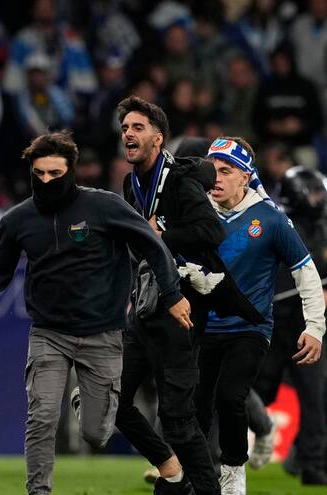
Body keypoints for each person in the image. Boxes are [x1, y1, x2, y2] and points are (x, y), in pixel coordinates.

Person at [0, 131, 192, 495]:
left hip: (102, 333)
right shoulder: (17, 220)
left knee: (96, 433)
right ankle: (39, 491)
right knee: (40, 417)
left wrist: (171, 294)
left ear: (71, 171)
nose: (46, 181)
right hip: (48, 334)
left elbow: (152, 244)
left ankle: (83, 400)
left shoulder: (103, 206)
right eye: (38, 174)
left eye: (54, 174)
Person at [111, 96, 261, 495]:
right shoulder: (131, 183)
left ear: (158, 139)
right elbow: (141, 244)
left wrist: (164, 235)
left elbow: (212, 232)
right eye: (125, 127)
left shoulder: (177, 180)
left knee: (177, 417)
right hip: (145, 307)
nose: (129, 133)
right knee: (115, 402)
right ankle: (172, 472)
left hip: (181, 311)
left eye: (138, 127)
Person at [195, 137, 326, 494]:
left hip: (250, 327)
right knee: (196, 407)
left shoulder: (270, 219)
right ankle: (192, 476)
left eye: (226, 171)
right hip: (203, 327)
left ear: (245, 176)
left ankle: (234, 476)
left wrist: (315, 327)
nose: (216, 178)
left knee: (231, 396)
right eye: (212, 170)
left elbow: (307, 273)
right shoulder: (195, 211)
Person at [252, 165, 327, 486]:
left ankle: (312, 465)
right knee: (256, 392)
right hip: (273, 325)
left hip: (308, 327)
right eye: (313, 191)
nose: (319, 198)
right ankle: (217, 451)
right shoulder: (276, 224)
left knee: (315, 398)